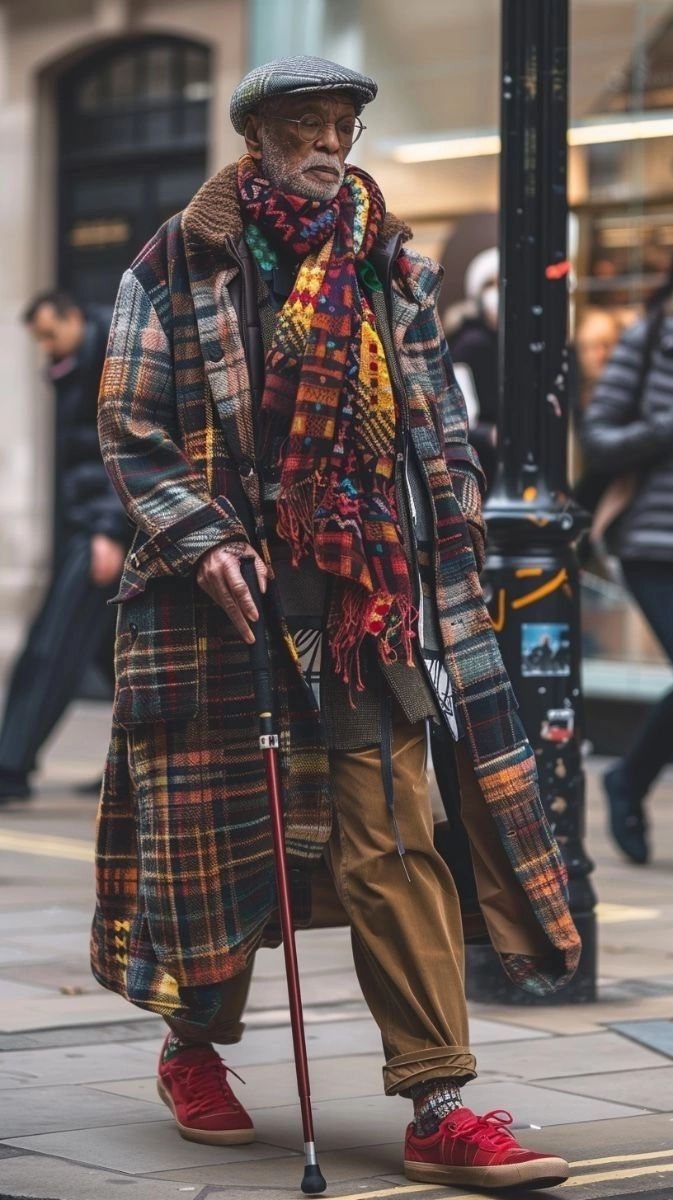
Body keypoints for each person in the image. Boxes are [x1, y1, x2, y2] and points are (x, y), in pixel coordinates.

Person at [92, 56, 579, 1191]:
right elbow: (128, 420)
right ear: (256, 136)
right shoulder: (178, 257)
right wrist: (205, 538)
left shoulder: (387, 259)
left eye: (340, 125)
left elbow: (440, 416)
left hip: (368, 611)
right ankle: (191, 1046)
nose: (326, 143)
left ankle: (439, 1101)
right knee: (216, 851)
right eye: (302, 125)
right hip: (223, 613)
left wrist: (449, 499)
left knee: (396, 840)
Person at [0, 292, 127, 802]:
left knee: (52, 644)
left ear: (74, 317)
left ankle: (10, 767)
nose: (46, 347)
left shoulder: (108, 355)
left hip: (104, 528)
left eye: (51, 334)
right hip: (95, 522)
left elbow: (118, 448)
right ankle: (132, 766)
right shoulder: (74, 362)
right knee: (111, 653)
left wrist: (108, 530)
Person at [582, 267, 673, 866]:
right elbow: (599, 436)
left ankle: (627, 779)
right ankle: (628, 780)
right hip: (653, 543)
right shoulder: (650, 337)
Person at [446, 246, 499, 489]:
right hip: (482, 462)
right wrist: (489, 434)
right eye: (490, 284)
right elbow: (458, 412)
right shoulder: (471, 343)